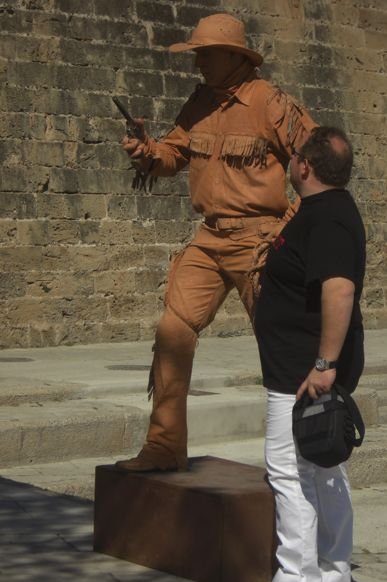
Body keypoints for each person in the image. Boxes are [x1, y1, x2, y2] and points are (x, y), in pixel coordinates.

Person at [115, 13, 316, 472]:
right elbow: (173, 154)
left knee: (280, 344)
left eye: (205, 55)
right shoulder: (200, 102)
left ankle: (303, 453)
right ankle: (164, 446)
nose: (198, 63)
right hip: (209, 239)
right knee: (172, 332)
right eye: (197, 54)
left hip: (260, 243)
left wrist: (288, 226)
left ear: (233, 56)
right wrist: (147, 152)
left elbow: (318, 162)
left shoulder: (270, 103)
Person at [241, 126, 366, 582]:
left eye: (294, 156)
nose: (289, 161)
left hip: (301, 370)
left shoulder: (328, 218)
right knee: (323, 464)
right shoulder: (326, 210)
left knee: (288, 469)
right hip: (304, 364)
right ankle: (333, 570)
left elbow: (339, 290)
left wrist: (323, 364)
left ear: (305, 167)